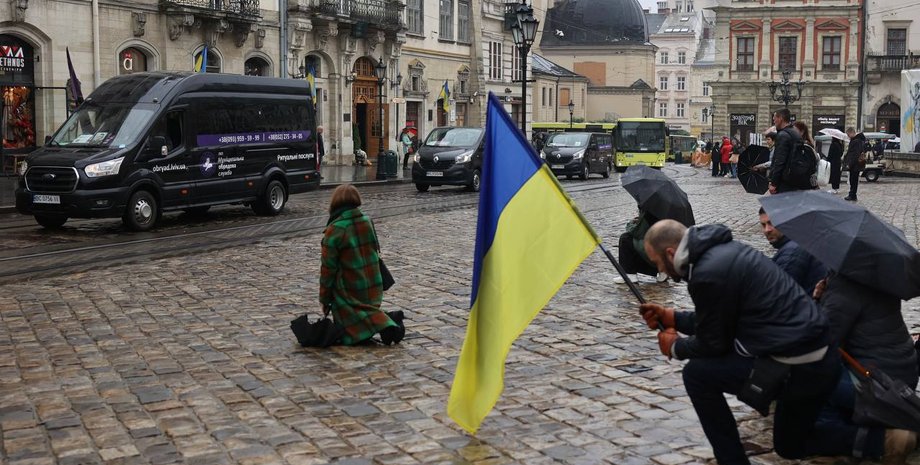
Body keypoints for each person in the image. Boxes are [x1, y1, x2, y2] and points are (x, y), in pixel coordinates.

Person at [639, 220, 840, 465]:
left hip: (800, 364)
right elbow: (720, 320)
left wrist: (674, 346)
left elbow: (713, 343)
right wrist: (673, 317)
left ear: (670, 253)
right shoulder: (721, 253)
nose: (658, 267)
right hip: (814, 353)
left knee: (697, 375)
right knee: (790, 446)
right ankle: (879, 440)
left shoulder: (707, 273)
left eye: (656, 261)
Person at [799, 272, 920, 464]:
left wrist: (817, 301)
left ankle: (847, 445)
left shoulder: (843, 286)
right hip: (903, 377)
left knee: (813, 378)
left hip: (877, 384)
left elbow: (822, 340)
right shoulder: (881, 280)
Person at [321, 185, 404, 345]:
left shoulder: (335, 229)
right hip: (374, 284)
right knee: (362, 311)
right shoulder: (367, 221)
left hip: (352, 287)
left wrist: (325, 299)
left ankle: (388, 323)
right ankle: (385, 320)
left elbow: (327, 269)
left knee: (347, 333)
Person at [758, 207, 827, 295]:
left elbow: (779, 295)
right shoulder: (798, 240)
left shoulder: (791, 253)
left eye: (771, 223)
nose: (767, 230)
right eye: (763, 225)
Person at [613, 209, 667, 284]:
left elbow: (635, 231)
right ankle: (663, 271)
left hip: (654, 256)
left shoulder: (650, 211)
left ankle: (630, 275)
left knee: (625, 238)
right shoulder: (667, 212)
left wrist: (632, 223)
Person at [768, 109, 804, 194]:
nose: (774, 122)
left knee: (773, 206)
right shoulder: (795, 133)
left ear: (780, 118)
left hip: (784, 181)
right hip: (794, 177)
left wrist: (774, 183)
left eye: (774, 119)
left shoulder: (783, 136)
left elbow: (779, 161)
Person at [842, 127, 867, 202]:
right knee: (853, 180)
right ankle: (852, 194)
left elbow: (854, 154)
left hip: (855, 165)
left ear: (852, 133)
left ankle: (852, 195)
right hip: (856, 164)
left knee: (853, 180)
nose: (848, 136)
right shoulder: (858, 140)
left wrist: (849, 164)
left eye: (848, 134)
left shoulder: (856, 141)